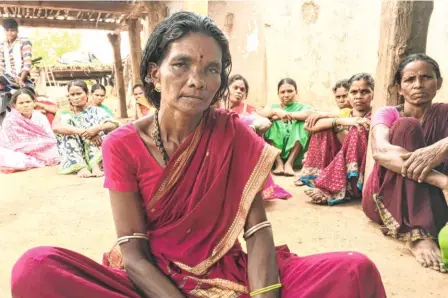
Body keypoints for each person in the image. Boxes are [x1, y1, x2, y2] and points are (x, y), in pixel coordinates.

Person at [11, 12, 386, 298]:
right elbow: (135, 253)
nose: (197, 80)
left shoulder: (234, 134)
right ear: (155, 75)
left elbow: (256, 232)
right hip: (151, 281)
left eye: (212, 69)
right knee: (35, 267)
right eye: (181, 64)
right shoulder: (122, 145)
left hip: (231, 271)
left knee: (355, 270)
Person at [363, 53, 448, 273]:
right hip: (385, 197)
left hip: (432, 199)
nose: (418, 85)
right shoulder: (388, 113)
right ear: (399, 88)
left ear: (438, 82)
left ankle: (430, 220)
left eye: (426, 77)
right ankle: (418, 233)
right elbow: (381, 151)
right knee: (407, 126)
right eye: (410, 80)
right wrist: (441, 181)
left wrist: (440, 147)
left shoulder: (444, 114)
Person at [298, 73, 373, 205]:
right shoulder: (345, 114)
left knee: (358, 128)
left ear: (373, 94)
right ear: (349, 95)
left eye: (364, 92)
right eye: (354, 92)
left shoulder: (375, 115)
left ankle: (336, 188)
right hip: (341, 161)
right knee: (325, 129)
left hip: (362, 167)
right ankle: (322, 180)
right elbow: (309, 126)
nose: (358, 96)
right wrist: (338, 121)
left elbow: (352, 144)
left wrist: (343, 124)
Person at [225, 74, 289, 201]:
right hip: (223, 145)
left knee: (251, 123)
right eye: (235, 88)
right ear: (227, 89)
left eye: (242, 90)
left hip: (242, 146)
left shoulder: (247, 108)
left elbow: (266, 117)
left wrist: (277, 112)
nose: (239, 91)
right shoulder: (219, 105)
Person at [52, 80, 119, 178]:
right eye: (72, 95)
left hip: (95, 144)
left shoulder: (96, 110)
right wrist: (84, 132)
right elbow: (55, 127)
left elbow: (114, 124)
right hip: (75, 146)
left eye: (79, 93)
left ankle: (95, 164)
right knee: (67, 124)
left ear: (87, 94)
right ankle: (80, 167)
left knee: (99, 127)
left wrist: (96, 129)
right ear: (69, 96)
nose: (76, 97)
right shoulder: (63, 112)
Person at [259, 78, 313, 176]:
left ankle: (289, 163)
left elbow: (311, 114)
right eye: (282, 92)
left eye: (290, 91)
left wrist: (287, 115)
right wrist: (275, 112)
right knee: (267, 122)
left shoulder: (302, 107)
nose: (286, 95)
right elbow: (259, 114)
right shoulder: (273, 107)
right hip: (275, 152)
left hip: (297, 154)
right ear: (278, 94)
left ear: (296, 92)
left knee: (301, 123)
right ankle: (278, 162)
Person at [0, 88, 59, 173]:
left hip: (40, 147)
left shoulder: (39, 116)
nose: (25, 105)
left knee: (55, 152)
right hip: (17, 150)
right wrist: (30, 146)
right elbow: (10, 143)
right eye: (21, 103)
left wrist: (38, 144)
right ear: (14, 105)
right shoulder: (10, 119)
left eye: (28, 102)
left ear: (34, 103)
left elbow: (50, 137)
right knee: (10, 157)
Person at [0, 19, 33, 90]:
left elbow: (27, 63)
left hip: (22, 77)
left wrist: (21, 79)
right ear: (4, 31)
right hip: (7, 78)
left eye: (12, 30)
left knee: (27, 95)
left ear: (17, 31)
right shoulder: (2, 45)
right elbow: (1, 64)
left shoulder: (24, 42)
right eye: (7, 30)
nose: (10, 33)